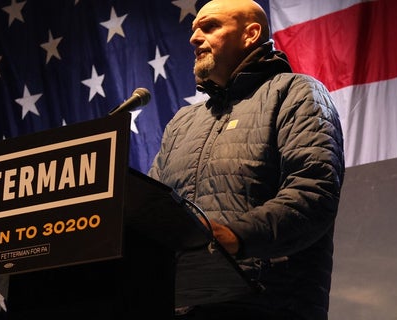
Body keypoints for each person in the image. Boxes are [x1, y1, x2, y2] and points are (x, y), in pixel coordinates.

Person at [147, 1, 345, 319]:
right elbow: (154, 210)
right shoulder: (182, 123)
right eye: (193, 29)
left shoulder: (297, 94)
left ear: (250, 34)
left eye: (209, 27)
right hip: (182, 304)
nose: (194, 38)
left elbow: (313, 193)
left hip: (270, 305)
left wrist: (237, 236)